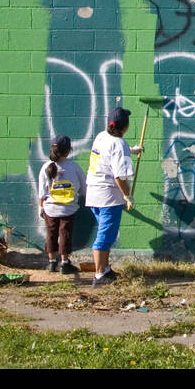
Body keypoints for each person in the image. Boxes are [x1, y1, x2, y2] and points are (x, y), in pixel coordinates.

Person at [86, 106, 143, 287]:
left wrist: (132, 150)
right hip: (108, 197)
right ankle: (99, 275)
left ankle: (106, 269)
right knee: (104, 236)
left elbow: (110, 154)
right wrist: (128, 196)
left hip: (94, 193)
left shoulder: (102, 136)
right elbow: (119, 176)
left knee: (106, 234)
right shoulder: (119, 145)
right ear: (124, 126)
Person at [39, 134, 86, 275]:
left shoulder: (46, 167)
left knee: (51, 233)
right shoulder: (74, 167)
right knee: (65, 234)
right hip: (68, 209)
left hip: (50, 208)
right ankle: (65, 264)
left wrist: (41, 207)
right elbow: (84, 187)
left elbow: (42, 191)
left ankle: (52, 262)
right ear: (68, 150)